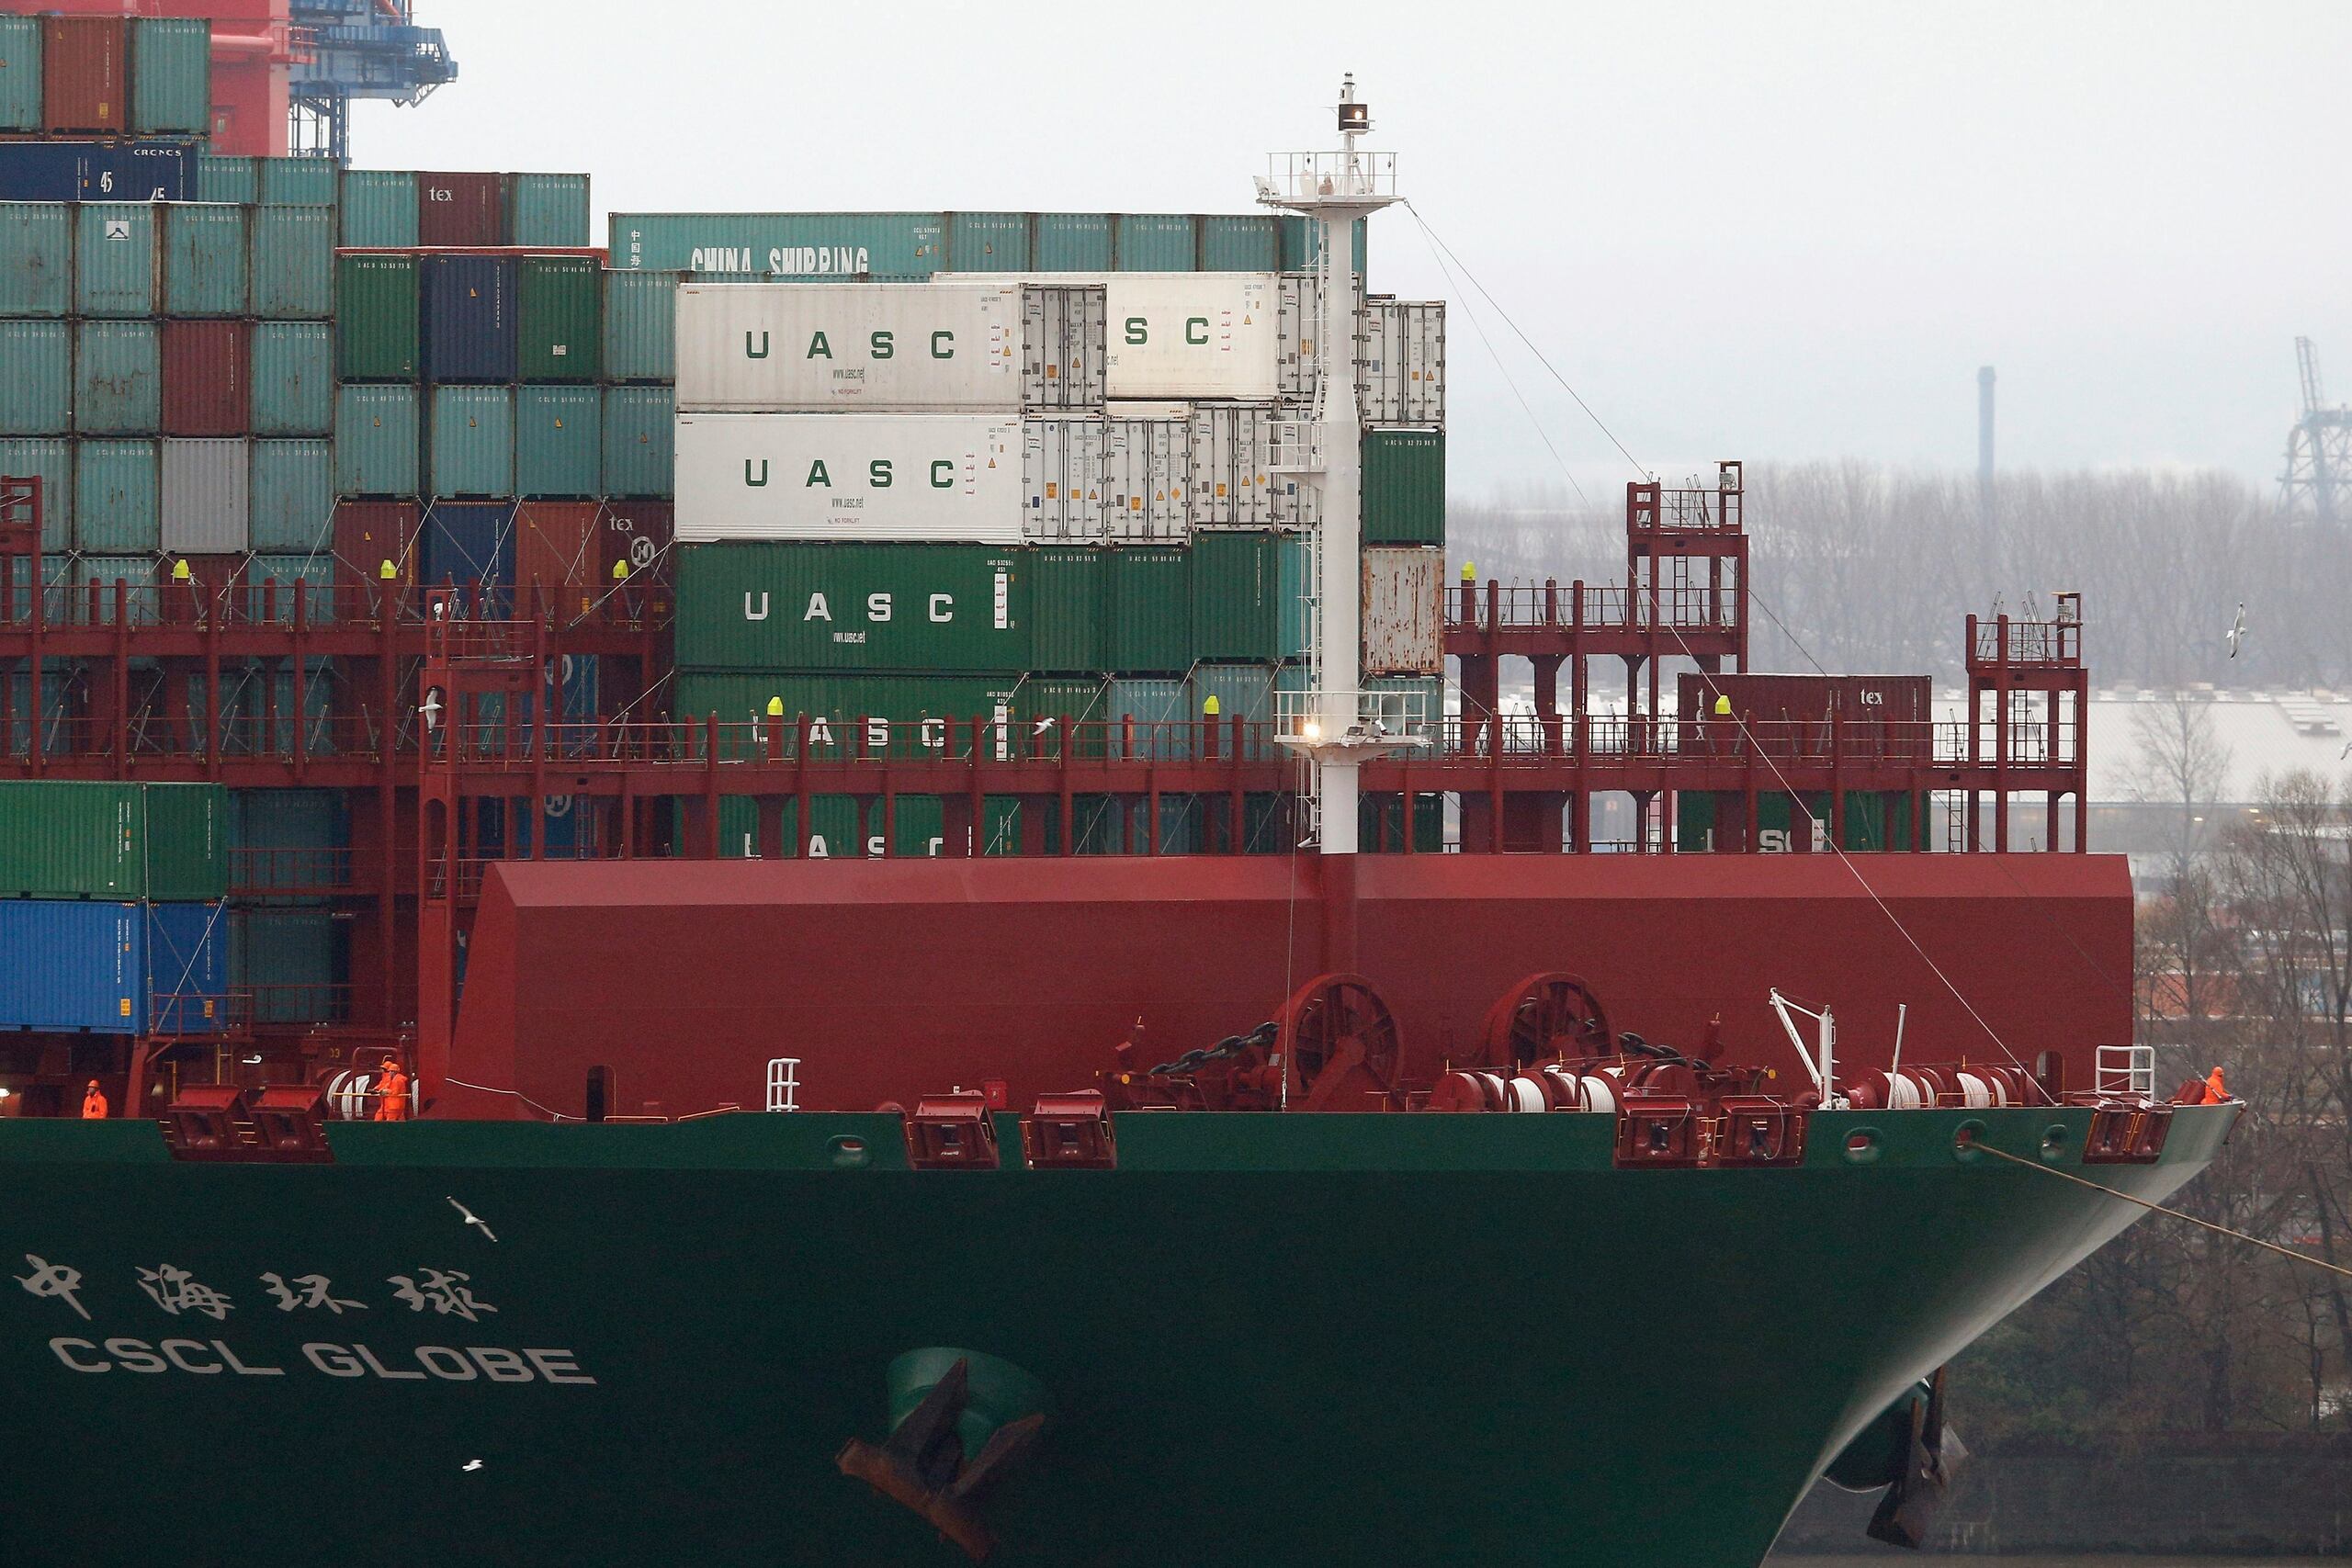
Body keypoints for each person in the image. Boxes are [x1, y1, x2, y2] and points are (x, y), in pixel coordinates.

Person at [375, 1057, 410, 1122]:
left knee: (390, 1121)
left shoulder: (398, 1080)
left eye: (390, 1071)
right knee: (379, 1117)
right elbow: (385, 1086)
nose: (389, 1072)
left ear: (394, 1072)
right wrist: (380, 1089)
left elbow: (395, 1092)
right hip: (391, 1104)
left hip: (394, 1105)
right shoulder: (393, 1079)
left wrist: (386, 1091)